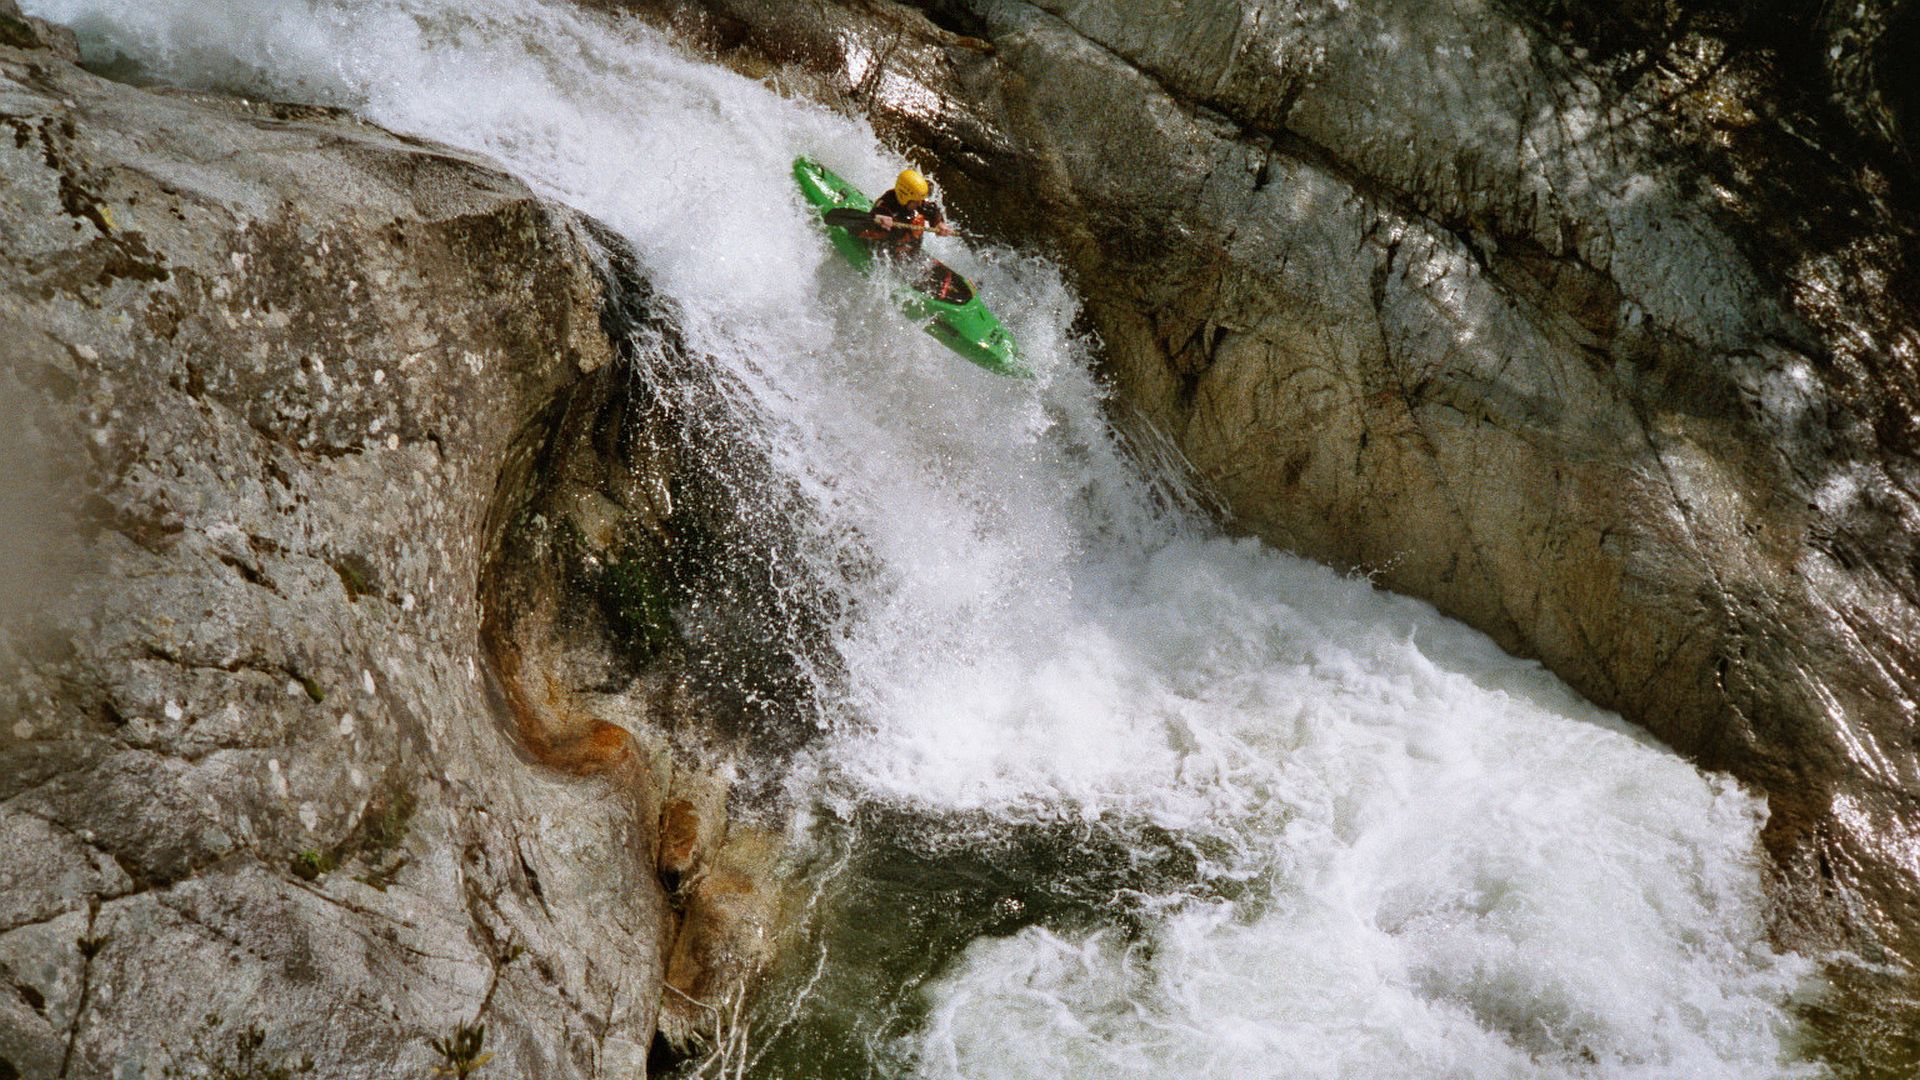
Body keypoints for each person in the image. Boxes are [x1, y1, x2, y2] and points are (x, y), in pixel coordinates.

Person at [863, 168, 956, 259]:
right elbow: (874, 216)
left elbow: (933, 211)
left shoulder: (915, 200)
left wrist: (939, 223)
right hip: (885, 244)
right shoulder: (886, 203)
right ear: (904, 197)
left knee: (918, 220)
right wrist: (881, 219)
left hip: (907, 246)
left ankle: (911, 254)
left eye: (920, 200)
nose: (919, 204)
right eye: (917, 201)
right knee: (914, 222)